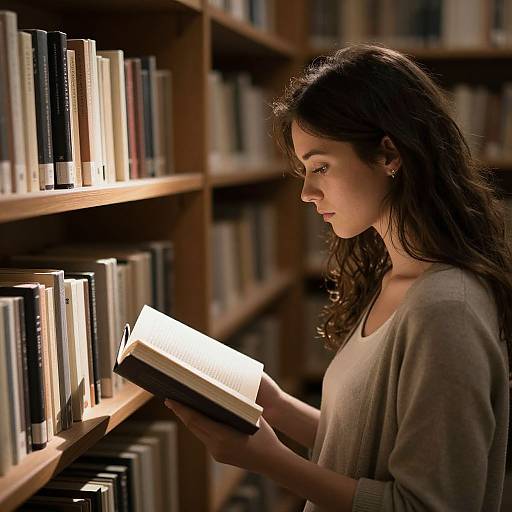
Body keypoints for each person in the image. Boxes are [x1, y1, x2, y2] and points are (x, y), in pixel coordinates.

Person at [164, 44, 512, 511]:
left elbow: (428, 506)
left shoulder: (447, 308)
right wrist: (277, 405)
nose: (307, 193)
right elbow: (364, 449)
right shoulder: (397, 279)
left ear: (389, 153)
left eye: (320, 167)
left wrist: (267, 460)